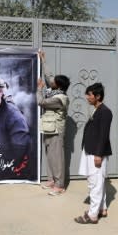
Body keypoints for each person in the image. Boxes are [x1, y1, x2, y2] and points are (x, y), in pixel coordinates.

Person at [74, 82, 112, 224]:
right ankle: (102, 208)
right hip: (90, 150)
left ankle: (92, 215)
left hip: (96, 152)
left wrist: (98, 154)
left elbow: (104, 135)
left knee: (95, 183)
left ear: (98, 96)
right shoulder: (97, 109)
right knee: (95, 182)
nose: (86, 97)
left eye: (89, 94)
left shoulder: (105, 112)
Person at [37, 60, 70, 196]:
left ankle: (59, 185)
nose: (51, 82)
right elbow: (49, 76)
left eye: (54, 81)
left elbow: (41, 102)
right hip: (49, 128)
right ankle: (52, 180)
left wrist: (39, 88)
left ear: (58, 85)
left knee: (57, 157)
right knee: (50, 156)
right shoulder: (54, 91)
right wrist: (44, 59)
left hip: (56, 130)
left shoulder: (59, 98)